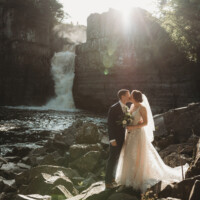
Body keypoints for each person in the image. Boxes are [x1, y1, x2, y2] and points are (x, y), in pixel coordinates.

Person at [115, 90, 189, 193]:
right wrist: (127, 124)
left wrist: (133, 127)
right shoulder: (131, 107)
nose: (129, 97)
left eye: (131, 95)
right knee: (129, 154)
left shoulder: (142, 108)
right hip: (129, 135)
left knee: (138, 154)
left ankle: (137, 178)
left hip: (138, 134)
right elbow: (129, 118)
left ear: (135, 97)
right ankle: (128, 177)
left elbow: (145, 123)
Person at [105, 89, 131, 189]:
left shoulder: (127, 107)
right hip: (115, 139)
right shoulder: (114, 108)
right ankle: (107, 182)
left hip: (123, 138)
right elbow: (110, 125)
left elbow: (126, 123)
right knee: (112, 159)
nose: (129, 97)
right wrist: (112, 139)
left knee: (118, 159)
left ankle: (113, 178)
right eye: (128, 95)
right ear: (123, 96)